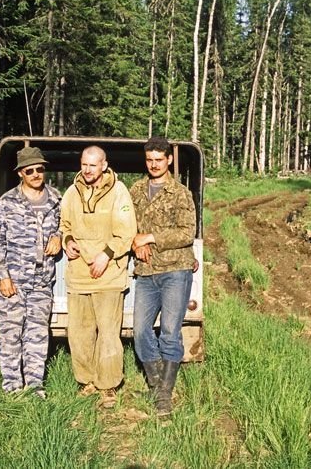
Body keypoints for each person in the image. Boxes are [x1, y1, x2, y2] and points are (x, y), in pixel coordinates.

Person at [60, 146, 137, 409]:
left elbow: (126, 232)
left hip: (108, 275)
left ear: (104, 165)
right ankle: (86, 381)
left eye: (93, 165)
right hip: (79, 274)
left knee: (107, 333)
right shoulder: (71, 193)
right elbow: (65, 225)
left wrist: (106, 255)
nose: (87, 170)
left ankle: (108, 385)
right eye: (84, 164)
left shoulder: (119, 192)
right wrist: (67, 240)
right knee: (79, 333)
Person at [0, 146, 62, 399]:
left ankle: (34, 385)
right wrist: (3, 276)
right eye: (29, 170)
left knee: (37, 334)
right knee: (10, 334)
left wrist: (60, 237)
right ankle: (11, 386)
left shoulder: (56, 199)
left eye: (39, 169)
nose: (36, 174)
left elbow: (67, 226)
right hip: (14, 280)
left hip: (42, 280)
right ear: (21, 173)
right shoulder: (7, 202)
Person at [130, 136, 197, 417]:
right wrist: (135, 241)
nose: (154, 165)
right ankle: (156, 382)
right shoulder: (135, 191)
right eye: (149, 160)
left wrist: (151, 237)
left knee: (170, 332)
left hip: (175, 271)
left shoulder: (180, 193)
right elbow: (124, 223)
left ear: (169, 160)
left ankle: (163, 394)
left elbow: (186, 232)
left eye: (159, 159)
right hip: (146, 272)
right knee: (140, 331)